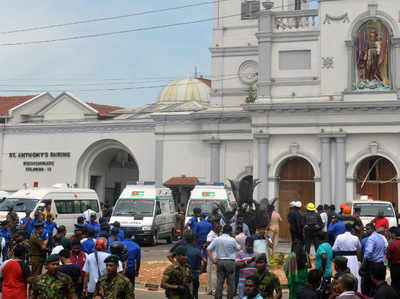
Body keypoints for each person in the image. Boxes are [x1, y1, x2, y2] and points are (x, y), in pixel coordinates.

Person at [207, 224, 241, 299]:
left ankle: (218, 297)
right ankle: (229, 297)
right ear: (230, 232)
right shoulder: (232, 240)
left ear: (223, 231)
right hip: (230, 262)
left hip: (220, 261)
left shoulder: (217, 239)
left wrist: (213, 260)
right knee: (230, 283)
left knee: (219, 282)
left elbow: (208, 249)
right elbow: (239, 248)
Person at [332, 223, 362, 291]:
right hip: (353, 258)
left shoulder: (339, 237)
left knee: (343, 274)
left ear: (344, 229)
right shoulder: (355, 238)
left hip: (343, 257)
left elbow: (334, 248)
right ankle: (356, 290)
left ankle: (342, 290)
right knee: (354, 274)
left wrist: (341, 248)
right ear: (351, 229)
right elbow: (359, 248)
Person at [360, 223, 386, 297]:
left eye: (368, 229)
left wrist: (364, 262)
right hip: (380, 263)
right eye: (366, 229)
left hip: (372, 264)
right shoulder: (381, 237)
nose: (366, 231)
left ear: (372, 229)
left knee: (368, 285)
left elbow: (368, 252)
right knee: (378, 284)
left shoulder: (371, 238)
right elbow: (384, 250)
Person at [185, 231, 204, 299]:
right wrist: (201, 270)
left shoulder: (183, 248)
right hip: (194, 273)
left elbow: (171, 256)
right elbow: (204, 261)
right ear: (194, 240)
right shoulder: (197, 250)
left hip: (184, 274)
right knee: (195, 292)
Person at [122, 229, 141, 294]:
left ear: (124, 235)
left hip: (121, 269)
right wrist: (137, 271)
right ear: (132, 236)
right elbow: (138, 260)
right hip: (131, 269)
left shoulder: (120, 244)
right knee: (131, 288)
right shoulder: (136, 246)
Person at [206, 221, 221, 295]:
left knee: (210, 273)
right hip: (213, 257)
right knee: (214, 274)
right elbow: (208, 243)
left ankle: (210, 290)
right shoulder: (211, 234)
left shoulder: (216, 234)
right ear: (213, 227)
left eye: (219, 227)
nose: (219, 228)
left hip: (213, 256)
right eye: (217, 227)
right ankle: (214, 291)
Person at [386, 227, 400, 295]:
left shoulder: (391, 244)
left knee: (394, 283)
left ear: (394, 234)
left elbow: (388, 256)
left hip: (395, 267)